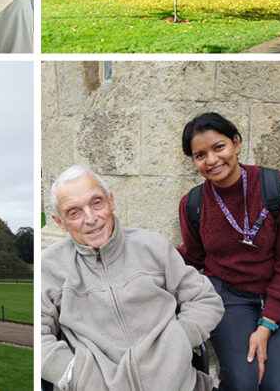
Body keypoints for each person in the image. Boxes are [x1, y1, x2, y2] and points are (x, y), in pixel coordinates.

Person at [41, 165, 225, 391]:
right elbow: (38, 333)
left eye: (97, 203)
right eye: (74, 212)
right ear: (59, 222)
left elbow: (206, 299)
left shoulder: (152, 246)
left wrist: (179, 341)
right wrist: (71, 373)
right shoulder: (49, 266)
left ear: (111, 201)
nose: (91, 218)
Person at [177, 113, 280, 391]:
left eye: (219, 147)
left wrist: (266, 325)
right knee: (242, 382)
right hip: (228, 297)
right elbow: (192, 256)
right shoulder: (193, 204)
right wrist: (141, 258)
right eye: (200, 155)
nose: (211, 160)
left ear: (236, 144)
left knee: (278, 385)